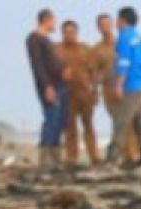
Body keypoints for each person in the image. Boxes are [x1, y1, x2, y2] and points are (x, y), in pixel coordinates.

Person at [90, 12, 139, 163]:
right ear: (98, 27)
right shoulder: (96, 49)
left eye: (107, 24)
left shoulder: (122, 43)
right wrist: (95, 91)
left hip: (126, 88)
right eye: (101, 25)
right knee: (117, 122)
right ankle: (124, 154)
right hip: (108, 90)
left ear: (112, 25)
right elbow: (94, 73)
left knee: (128, 121)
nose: (105, 27)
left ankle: (132, 154)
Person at [106, 6, 141, 167]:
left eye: (117, 20)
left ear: (122, 20)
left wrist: (118, 85)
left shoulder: (124, 37)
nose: (115, 24)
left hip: (131, 86)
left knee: (121, 121)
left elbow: (124, 62)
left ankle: (112, 156)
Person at [25, 9, 68, 169]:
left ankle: (56, 157)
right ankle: (46, 157)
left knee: (59, 120)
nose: (54, 24)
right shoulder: (34, 39)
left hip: (61, 84)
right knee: (51, 119)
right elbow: (38, 65)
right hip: (50, 85)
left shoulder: (47, 40)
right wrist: (47, 86)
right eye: (53, 21)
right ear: (47, 20)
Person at [55, 20, 99, 165]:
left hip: (85, 93)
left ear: (76, 33)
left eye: (72, 32)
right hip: (66, 94)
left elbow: (94, 72)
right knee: (70, 127)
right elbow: (50, 70)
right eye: (66, 32)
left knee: (88, 125)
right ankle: (72, 156)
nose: (69, 35)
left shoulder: (85, 49)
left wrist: (95, 91)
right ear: (62, 33)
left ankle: (94, 155)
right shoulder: (56, 50)